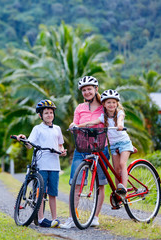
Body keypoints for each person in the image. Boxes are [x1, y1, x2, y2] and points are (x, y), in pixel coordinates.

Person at [60, 76, 110, 229]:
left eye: (89, 89)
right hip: (82, 148)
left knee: (100, 184)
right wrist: (73, 125)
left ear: (96, 89)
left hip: (101, 148)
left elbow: (116, 119)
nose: (87, 92)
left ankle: (95, 217)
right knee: (75, 184)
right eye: (84, 90)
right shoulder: (80, 108)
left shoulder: (105, 106)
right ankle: (71, 218)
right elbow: (75, 123)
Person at [16, 99, 67, 228]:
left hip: (54, 166)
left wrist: (62, 151)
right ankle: (41, 218)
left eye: (51, 112)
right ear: (40, 115)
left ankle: (55, 219)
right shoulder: (37, 129)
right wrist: (23, 139)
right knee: (40, 192)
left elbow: (60, 145)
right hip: (41, 165)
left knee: (53, 193)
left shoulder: (57, 129)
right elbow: (29, 144)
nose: (49, 115)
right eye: (46, 113)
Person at [77, 89, 134, 197]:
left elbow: (120, 120)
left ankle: (124, 189)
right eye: (108, 102)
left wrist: (120, 125)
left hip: (124, 143)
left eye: (113, 102)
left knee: (122, 164)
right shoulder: (104, 117)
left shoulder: (120, 113)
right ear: (103, 104)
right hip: (113, 145)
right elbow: (91, 122)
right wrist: (77, 126)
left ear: (117, 103)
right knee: (116, 170)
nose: (111, 104)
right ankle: (119, 192)